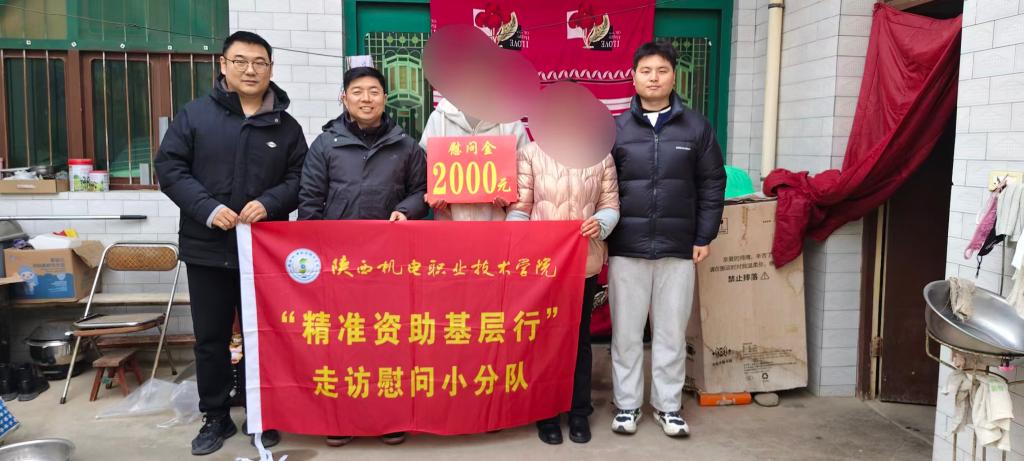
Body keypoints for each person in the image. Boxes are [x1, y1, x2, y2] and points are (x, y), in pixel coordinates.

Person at [155, 31, 306, 456]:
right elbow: (170, 168)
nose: (250, 70)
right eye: (240, 61)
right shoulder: (195, 116)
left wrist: (270, 202)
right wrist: (207, 207)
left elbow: (301, 178)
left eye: (260, 62)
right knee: (211, 337)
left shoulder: (286, 126)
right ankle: (216, 416)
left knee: (266, 335)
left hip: (264, 251)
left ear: (271, 69)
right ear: (223, 65)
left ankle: (263, 413)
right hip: (207, 247)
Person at [297, 65, 427, 446]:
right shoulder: (325, 145)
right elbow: (309, 201)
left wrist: (406, 210)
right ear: (344, 98)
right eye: (357, 91)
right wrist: (316, 254)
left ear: (385, 98)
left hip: (390, 262)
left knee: (387, 340)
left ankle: (388, 416)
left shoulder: (406, 146)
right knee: (342, 341)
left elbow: (422, 192)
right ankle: (340, 418)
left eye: (373, 91)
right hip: (339, 263)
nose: (366, 98)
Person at [607, 40, 726, 438]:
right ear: (634, 77)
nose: (654, 78)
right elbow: (603, 186)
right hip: (627, 247)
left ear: (674, 76)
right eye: (646, 71)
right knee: (626, 333)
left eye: (661, 71)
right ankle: (626, 405)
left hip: (678, 247)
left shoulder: (696, 127)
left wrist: (704, 234)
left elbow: (712, 183)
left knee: (671, 333)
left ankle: (668, 406)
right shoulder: (617, 129)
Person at [507, 142, 619, 445]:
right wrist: (520, 239)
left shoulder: (600, 155)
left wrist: (602, 223)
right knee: (544, 339)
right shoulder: (531, 154)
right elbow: (520, 208)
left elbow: (610, 204)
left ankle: (579, 410)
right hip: (542, 266)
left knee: (579, 339)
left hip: (584, 261)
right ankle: (547, 413)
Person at [419, 98, 529, 220]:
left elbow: (526, 179)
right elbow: (422, 172)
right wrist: (430, 193)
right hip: (449, 225)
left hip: (499, 225)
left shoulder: (510, 120)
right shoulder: (438, 118)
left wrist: (511, 199)